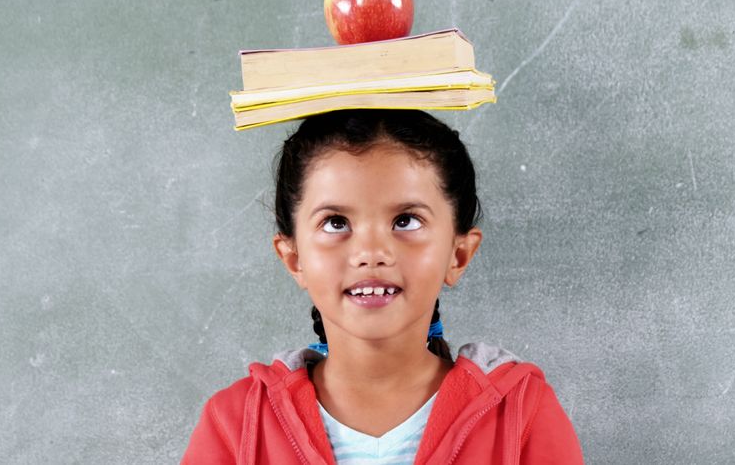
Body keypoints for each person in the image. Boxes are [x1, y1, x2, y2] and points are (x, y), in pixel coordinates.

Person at [181, 109, 584, 464]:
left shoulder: (522, 415)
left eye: (406, 220)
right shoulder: (235, 425)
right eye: (336, 223)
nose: (371, 252)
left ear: (458, 254)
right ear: (294, 259)